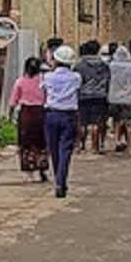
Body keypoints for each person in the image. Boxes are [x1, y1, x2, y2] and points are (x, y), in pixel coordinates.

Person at [43, 45, 82, 199]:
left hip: (52, 114)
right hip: (69, 115)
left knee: (53, 150)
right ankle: (61, 181)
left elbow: (44, 92)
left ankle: (58, 179)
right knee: (65, 149)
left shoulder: (48, 76)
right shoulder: (76, 77)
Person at [10, 57, 49, 182]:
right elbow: (48, 97)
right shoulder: (44, 81)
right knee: (41, 142)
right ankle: (42, 169)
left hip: (26, 114)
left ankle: (29, 172)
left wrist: (11, 115)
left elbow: (13, 101)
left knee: (26, 143)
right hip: (41, 113)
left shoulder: (20, 81)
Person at [75, 41, 111, 153]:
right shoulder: (104, 65)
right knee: (96, 123)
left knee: (82, 122)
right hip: (99, 95)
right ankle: (95, 147)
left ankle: (81, 145)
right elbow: (107, 79)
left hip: (83, 95)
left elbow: (77, 81)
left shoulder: (79, 65)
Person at [107, 46, 131, 152]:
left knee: (116, 121)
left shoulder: (111, 66)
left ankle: (117, 141)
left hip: (113, 97)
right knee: (129, 122)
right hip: (127, 97)